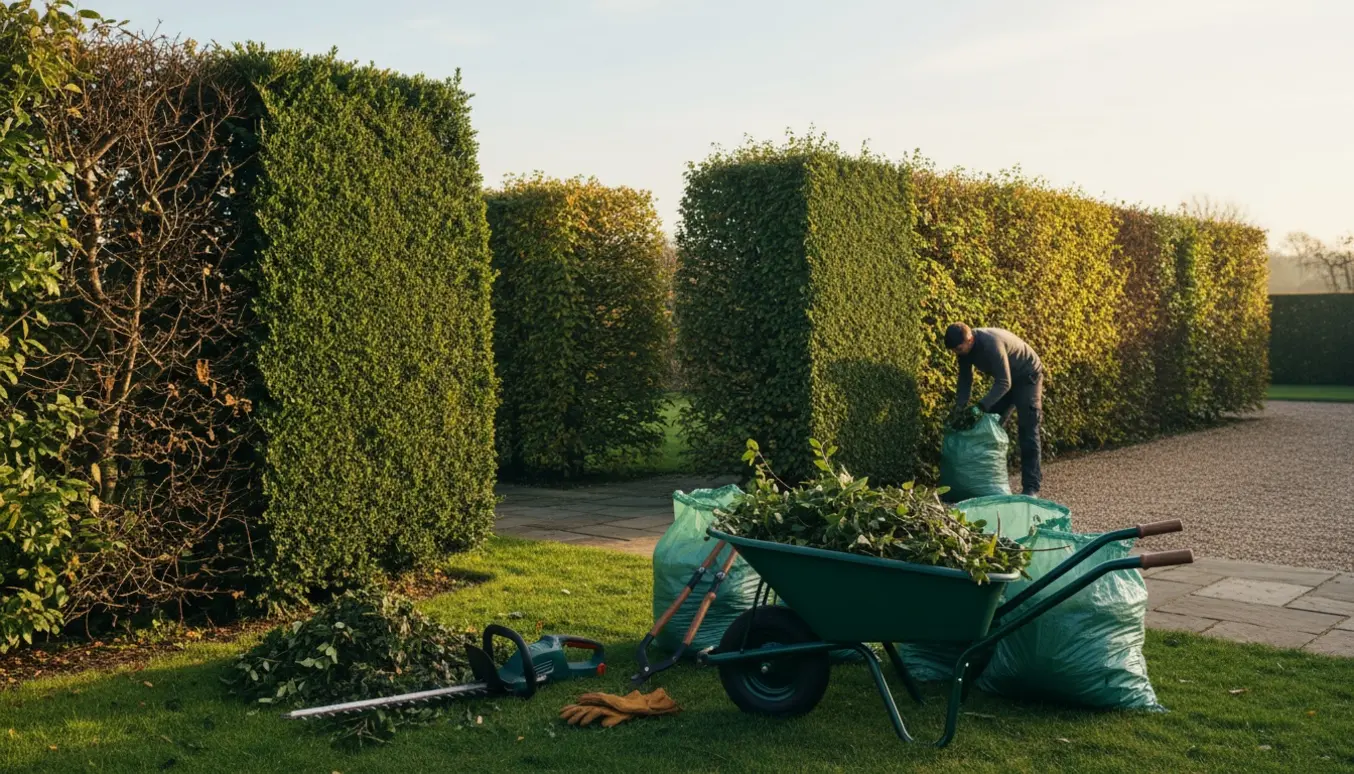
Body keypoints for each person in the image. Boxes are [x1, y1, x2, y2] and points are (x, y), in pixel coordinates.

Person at [945, 323, 1045, 497]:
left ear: (970, 339)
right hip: (1007, 380)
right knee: (991, 423)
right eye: (954, 351)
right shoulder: (964, 351)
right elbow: (965, 380)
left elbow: (1004, 383)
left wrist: (980, 407)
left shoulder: (991, 344)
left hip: (1027, 376)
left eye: (959, 349)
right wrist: (959, 408)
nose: (957, 353)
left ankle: (1031, 488)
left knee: (1028, 429)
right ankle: (984, 481)